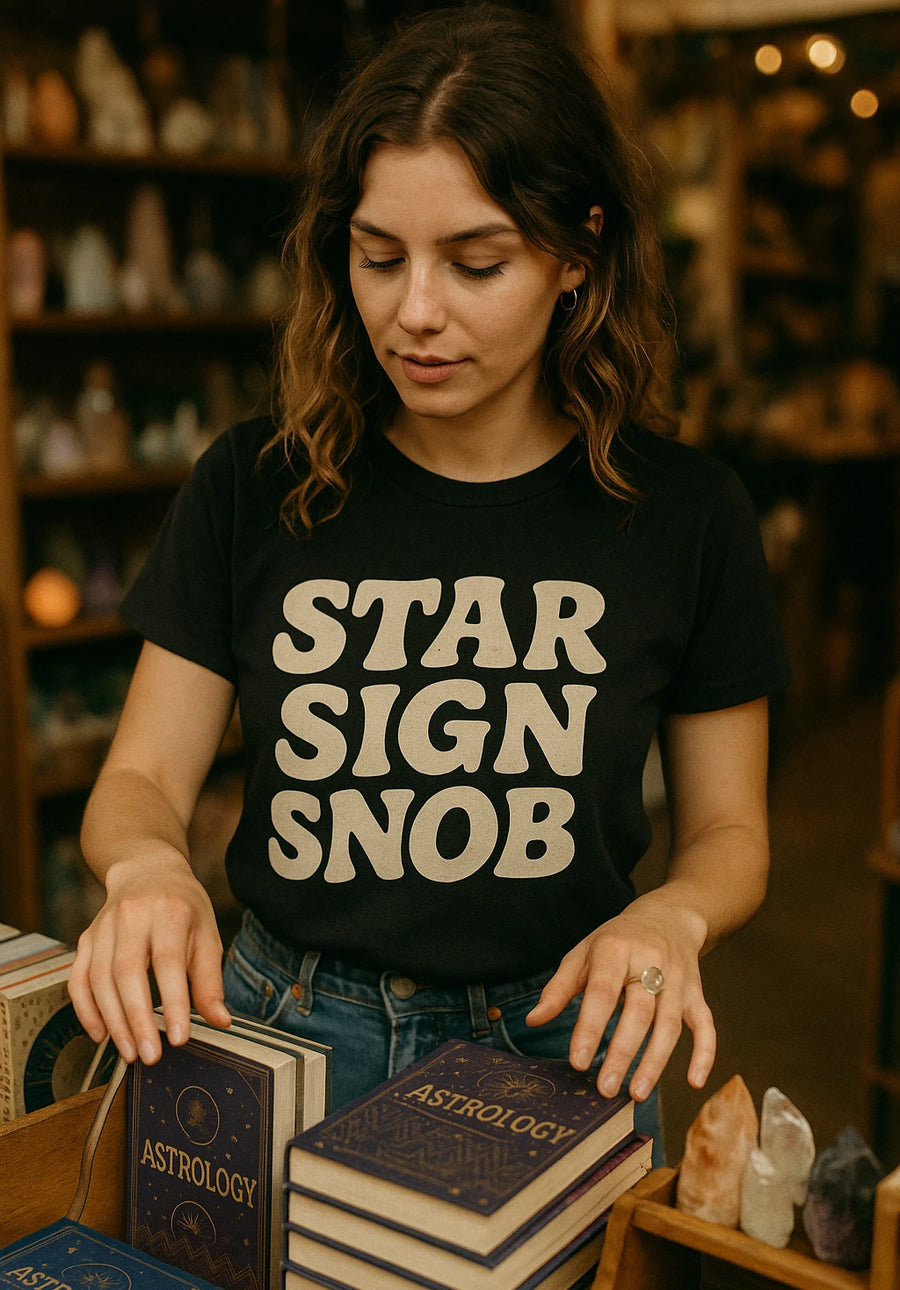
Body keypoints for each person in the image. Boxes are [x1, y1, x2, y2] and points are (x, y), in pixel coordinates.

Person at [68, 3, 790, 1163]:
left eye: (477, 261)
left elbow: (732, 831)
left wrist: (672, 913)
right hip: (273, 1031)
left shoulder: (686, 515)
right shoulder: (255, 485)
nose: (415, 311)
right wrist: (148, 866)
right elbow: (139, 778)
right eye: (378, 255)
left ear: (577, 255)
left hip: (560, 1043)